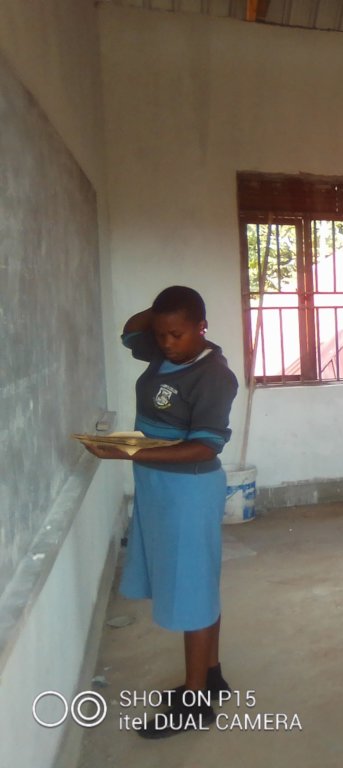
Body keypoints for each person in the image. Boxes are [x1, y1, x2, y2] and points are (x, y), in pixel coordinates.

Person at [81, 286, 239, 737]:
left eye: (177, 334)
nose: (167, 343)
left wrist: (128, 452)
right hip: (159, 486)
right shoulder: (163, 351)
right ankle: (210, 675)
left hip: (188, 491)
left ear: (201, 327)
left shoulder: (214, 376)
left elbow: (204, 447)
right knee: (197, 581)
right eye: (162, 333)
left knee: (192, 588)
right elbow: (130, 332)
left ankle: (195, 704)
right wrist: (160, 312)